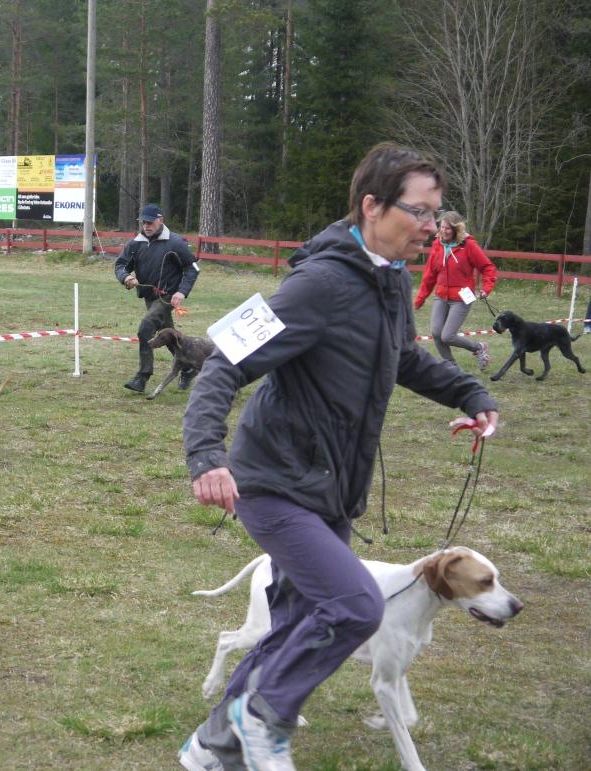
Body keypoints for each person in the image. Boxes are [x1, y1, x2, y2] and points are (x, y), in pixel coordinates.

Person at [177, 143, 499, 771]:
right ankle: (264, 718)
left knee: (295, 623)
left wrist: (470, 392)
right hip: (272, 483)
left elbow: (402, 358)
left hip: (332, 490)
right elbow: (224, 362)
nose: (433, 226)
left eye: (439, 213)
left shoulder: (391, 279)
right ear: (372, 206)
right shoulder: (315, 283)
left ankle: (212, 748)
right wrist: (205, 455)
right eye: (421, 211)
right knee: (355, 604)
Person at [114, 203, 200, 393]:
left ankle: (142, 377)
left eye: (150, 222)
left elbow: (192, 269)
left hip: (167, 297)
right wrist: (126, 277)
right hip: (149, 297)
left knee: (145, 327)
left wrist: (181, 292)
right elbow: (120, 265)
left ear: (161, 221)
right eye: (143, 222)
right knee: (169, 337)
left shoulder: (175, 243)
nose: (146, 226)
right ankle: (187, 367)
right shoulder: (134, 244)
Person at [414, 210, 497, 370]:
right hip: (441, 295)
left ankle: (478, 348)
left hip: (462, 297)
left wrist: (486, 288)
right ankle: (452, 369)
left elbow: (488, 268)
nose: (443, 231)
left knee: (447, 335)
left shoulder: (469, 246)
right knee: (437, 333)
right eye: (441, 227)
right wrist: (420, 299)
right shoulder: (437, 245)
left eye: (447, 228)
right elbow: (430, 275)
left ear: (456, 230)